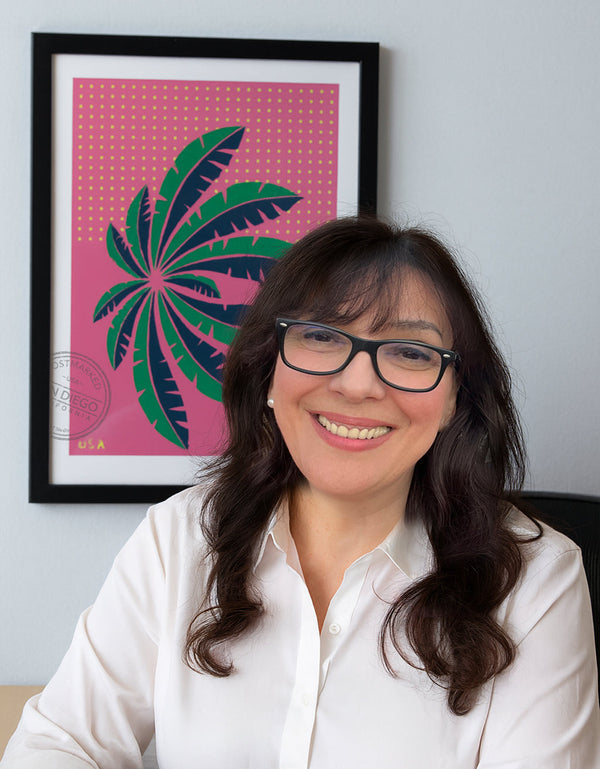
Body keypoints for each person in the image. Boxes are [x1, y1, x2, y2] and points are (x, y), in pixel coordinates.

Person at [3, 216, 599, 768]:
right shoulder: (180, 539)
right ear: (269, 369)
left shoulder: (536, 580)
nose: (359, 383)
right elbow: (58, 743)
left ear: (451, 399)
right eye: (321, 337)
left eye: (411, 352)